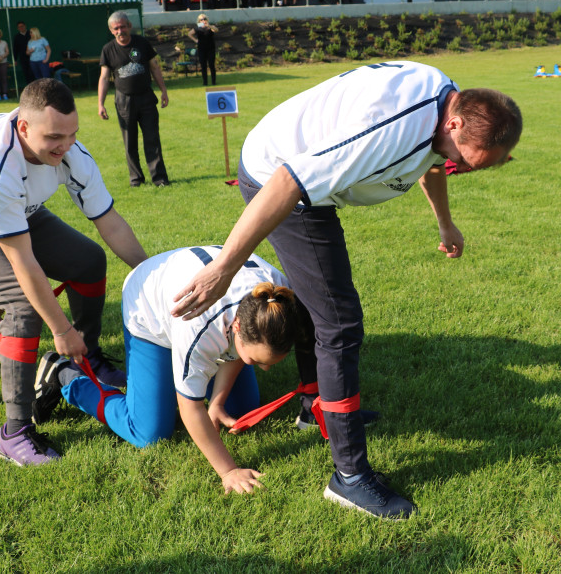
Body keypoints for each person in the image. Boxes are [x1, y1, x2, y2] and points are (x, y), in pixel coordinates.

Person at [170, 61, 523, 519]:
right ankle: (350, 477)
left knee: (318, 306)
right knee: (339, 324)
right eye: (472, 160)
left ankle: (313, 407)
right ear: (454, 123)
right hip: (278, 179)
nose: (466, 168)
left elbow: (436, 161)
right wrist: (224, 267)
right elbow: (288, 181)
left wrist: (445, 222)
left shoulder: (449, 107)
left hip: (305, 181)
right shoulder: (391, 127)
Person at [0, 78, 148, 466]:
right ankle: (14, 432)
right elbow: (22, 262)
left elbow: (110, 223)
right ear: (23, 127)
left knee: (88, 260)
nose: (65, 145)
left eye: (72, 134)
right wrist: (62, 330)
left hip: (16, 211)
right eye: (54, 136)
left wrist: (152, 272)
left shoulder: (71, 152)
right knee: (22, 305)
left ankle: (86, 359)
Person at [33, 247, 310, 494]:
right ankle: (65, 376)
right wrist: (228, 471)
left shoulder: (278, 305)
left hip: (192, 295)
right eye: (257, 360)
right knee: (149, 432)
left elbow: (240, 346)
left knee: (242, 408)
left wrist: (217, 403)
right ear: (236, 326)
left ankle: (215, 382)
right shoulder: (200, 326)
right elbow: (190, 407)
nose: (266, 369)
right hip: (148, 307)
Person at [97, 11, 170, 188]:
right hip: (124, 100)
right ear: (111, 30)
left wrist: (163, 91)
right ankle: (136, 178)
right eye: (116, 28)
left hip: (146, 97)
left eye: (123, 27)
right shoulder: (108, 49)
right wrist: (101, 104)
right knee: (130, 142)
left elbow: (154, 67)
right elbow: (104, 78)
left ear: (129, 26)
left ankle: (159, 178)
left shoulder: (142, 43)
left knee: (152, 138)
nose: (120, 31)